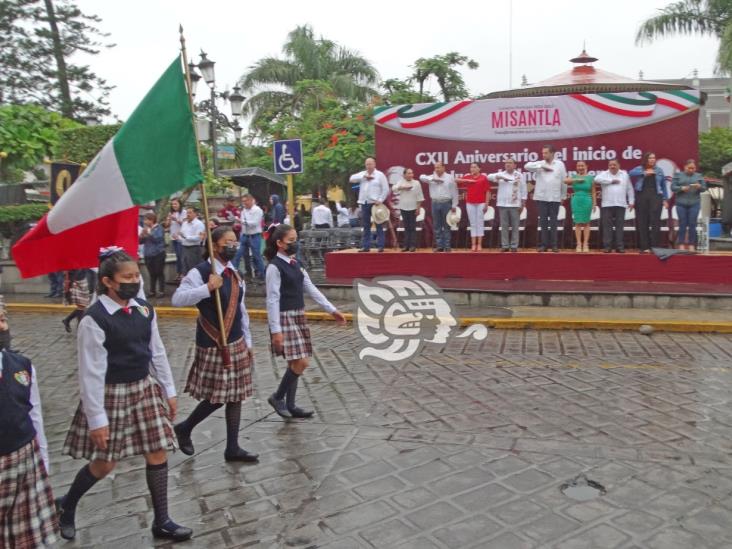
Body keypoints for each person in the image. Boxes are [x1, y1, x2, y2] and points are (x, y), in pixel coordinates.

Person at [57, 248, 192, 542]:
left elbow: (156, 351)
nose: (134, 280)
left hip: (143, 388)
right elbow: (90, 373)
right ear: (108, 281)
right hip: (111, 394)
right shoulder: (94, 319)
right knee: (105, 463)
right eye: (127, 277)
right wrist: (97, 419)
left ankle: (162, 520)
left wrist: (168, 390)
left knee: (158, 450)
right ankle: (67, 504)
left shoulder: (144, 309)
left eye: (136, 275)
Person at [171, 226, 258, 463]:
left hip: (236, 340)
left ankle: (232, 447)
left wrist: (248, 340)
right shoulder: (200, 272)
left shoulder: (234, 272)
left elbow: (241, 309)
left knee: (236, 395)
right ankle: (185, 427)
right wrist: (207, 288)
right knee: (218, 396)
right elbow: (177, 299)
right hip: (213, 341)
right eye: (227, 242)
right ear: (214, 246)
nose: (232, 246)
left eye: (235, 242)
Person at [264, 224, 346, 418]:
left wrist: (331, 310)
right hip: (285, 317)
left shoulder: (296, 263)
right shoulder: (274, 267)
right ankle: (278, 397)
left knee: (295, 362)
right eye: (290, 241)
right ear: (279, 243)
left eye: (295, 239)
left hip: (298, 314)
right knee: (302, 362)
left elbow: (310, 288)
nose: (295, 244)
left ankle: (291, 405)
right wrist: (275, 330)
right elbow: (272, 299)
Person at [0, 310, 58, 548]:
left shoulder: (21, 366)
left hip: (23, 458)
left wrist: (42, 458)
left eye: (3, 318)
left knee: (25, 539)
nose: (3, 327)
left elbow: (34, 414)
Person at [525, 144, 567, 253]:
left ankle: (554, 245)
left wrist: (563, 195)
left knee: (553, 222)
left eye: (546, 153)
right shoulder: (540, 163)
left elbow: (564, 181)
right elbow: (526, 166)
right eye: (542, 153)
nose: (543, 155)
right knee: (543, 222)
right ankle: (544, 245)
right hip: (541, 197)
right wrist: (541, 167)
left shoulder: (560, 164)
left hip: (554, 198)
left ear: (552, 153)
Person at [629, 152, 669, 254]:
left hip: (656, 196)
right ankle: (644, 247)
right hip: (641, 196)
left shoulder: (659, 170)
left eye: (654, 158)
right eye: (650, 158)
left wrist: (665, 199)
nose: (652, 159)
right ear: (646, 159)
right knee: (642, 222)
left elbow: (663, 186)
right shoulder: (640, 168)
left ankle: (655, 247)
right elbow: (630, 173)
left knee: (655, 222)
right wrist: (644, 173)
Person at [595, 159, 635, 253]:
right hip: (607, 204)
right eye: (610, 165)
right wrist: (611, 181)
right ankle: (607, 247)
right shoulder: (604, 174)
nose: (612, 166)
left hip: (621, 204)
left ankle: (619, 247)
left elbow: (630, 189)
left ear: (619, 165)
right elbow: (596, 179)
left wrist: (631, 201)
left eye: (614, 165)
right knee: (607, 227)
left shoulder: (624, 175)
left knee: (619, 226)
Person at [350, 157, 389, 252]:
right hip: (364, 203)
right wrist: (363, 177)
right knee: (366, 225)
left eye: (370, 164)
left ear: (374, 164)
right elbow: (351, 179)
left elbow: (386, 189)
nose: (369, 166)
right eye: (367, 164)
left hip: (375, 204)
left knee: (378, 224)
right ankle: (366, 246)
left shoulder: (380, 175)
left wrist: (380, 200)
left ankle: (380, 246)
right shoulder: (362, 174)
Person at [489, 158, 527, 252]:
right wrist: (500, 177)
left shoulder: (519, 175)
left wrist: (523, 204)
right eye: (506, 163)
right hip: (503, 204)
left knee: (515, 226)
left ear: (515, 165)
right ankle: (505, 245)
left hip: (515, 205)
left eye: (510, 163)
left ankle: (514, 246)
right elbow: (488, 177)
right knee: (504, 226)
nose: (507, 164)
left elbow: (524, 190)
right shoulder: (501, 174)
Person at [420, 162, 459, 252]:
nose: (437, 169)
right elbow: (421, 177)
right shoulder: (431, 177)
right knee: (437, 225)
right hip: (435, 203)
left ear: (444, 168)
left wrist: (454, 205)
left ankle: (447, 246)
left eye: (438, 167)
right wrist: (433, 179)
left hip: (446, 203)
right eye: (435, 168)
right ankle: (439, 246)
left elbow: (455, 192)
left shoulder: (449, 177)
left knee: (446, 225)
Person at [672, 159, 707, 251]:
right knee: (682, 223)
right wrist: (681, 188)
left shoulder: (699, 176)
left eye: (693, 168)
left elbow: (704, 188)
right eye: (690, 168)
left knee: (692, 223)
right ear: (685, 167)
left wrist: (699, 187)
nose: (692, 170)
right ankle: (681, 244)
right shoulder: (678, 175)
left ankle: (691, 244)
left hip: (694, 203)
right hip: (681, 203)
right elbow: (673, 187)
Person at [456, 163, 491, 252]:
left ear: (479, 169)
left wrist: (486, 204)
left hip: (481, 203)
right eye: (471, 167)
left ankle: (479, 244)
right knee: (473, 223)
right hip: (470, 203)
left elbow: (487, 191)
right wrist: (467, 181)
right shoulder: (468, 177)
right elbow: (456, 180)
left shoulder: (483, 178)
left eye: (475, 167)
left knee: (479, 223)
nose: (473, 169)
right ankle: (473, 244)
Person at [233, 193, 265, 280]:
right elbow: (244, 224)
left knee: (256, 256)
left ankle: (262, 275)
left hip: (254, 236)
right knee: (240, 254)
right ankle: (245, 273)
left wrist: (241, 221)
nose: (244, 203)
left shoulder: (257, 210)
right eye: (243, 201)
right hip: (244, 235)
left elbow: (254, 223)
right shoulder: (243, 210)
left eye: (245, 201)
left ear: (251, 200)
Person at [564, 161, 595, 253]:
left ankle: (585, 244)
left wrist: (594, 203)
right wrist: (577, 180)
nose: (580, 167)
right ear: (577, 167)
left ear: (586, 166)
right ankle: (578, 244)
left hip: (587, 200)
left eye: (582, 166)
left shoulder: (590, 178)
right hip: (576, 200)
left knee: (586, 222)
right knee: (577, 223)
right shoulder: (574, 177)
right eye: (578, 166)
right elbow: (565, 181)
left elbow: (593, 191)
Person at [394, 168, 424, 252]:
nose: (411, 175)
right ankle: (406, 246)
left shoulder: (416, 183)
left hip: (413, 208)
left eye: (412, 173)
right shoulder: (401, 182)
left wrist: (418, 208)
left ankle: (412, 246)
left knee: (412, 227)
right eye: (408, 173)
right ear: (404, 175)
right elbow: (394, 188)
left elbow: (420, 197)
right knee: (406, 227)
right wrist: (402, 187)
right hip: (403, 208)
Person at [140, 212, 166, 298]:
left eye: (146, 220)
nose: (144, 221)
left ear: (151, 220)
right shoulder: (145, 229)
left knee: (159, 272)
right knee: (152, 273)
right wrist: (142, 236)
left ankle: (161, 291)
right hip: (148, 254)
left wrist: (148, 234)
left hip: (158, 253)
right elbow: (141, 242)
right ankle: (152, 291)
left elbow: (157, 239)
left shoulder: (159, 228)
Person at [166, 199, 187, 283]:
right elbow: (167, 225)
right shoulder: (171, 213)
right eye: (172, 204)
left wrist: (176, 219)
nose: (174, 206)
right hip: (173, 237)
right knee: (178, 257)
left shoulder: (184, 212)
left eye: (175, 204)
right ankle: (178, 273)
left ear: (180, 204)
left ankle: (183, 273)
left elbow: (185, 224)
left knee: (181, 256)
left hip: (180, 237)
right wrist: (169, 219)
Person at [179, 207, 205, 273]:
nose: (188, 214)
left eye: (190, 212)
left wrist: (186, 237)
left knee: (193, 268)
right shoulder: (184, 223)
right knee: (184, 266)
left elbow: (199, 238)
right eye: (187, 213)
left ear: (195, 214)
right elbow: (181, 234)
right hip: (184, 247)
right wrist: (179, 238)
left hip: (193, 248)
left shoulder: (199, 224)